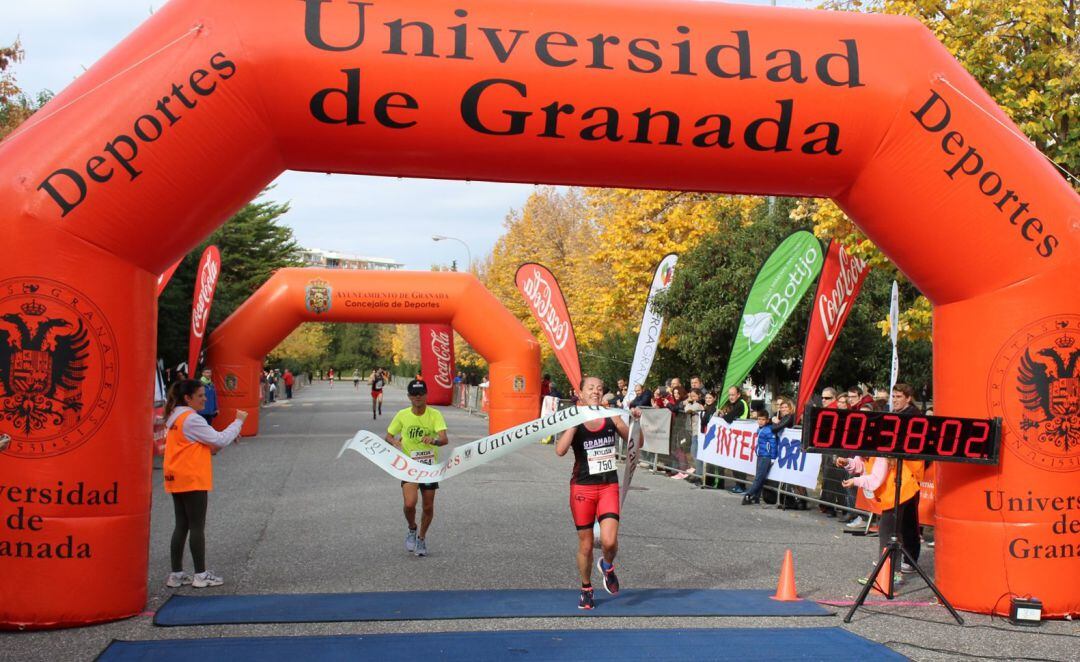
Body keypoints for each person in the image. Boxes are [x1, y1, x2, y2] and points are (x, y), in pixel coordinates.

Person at [555, 376, 642, 610]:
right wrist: (574, 422)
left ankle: (608, 565)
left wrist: (635, 423)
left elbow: (637, 442)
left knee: (609, 541)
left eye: (600, 388)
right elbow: (560, 450)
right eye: (591, 388)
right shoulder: (573, 416)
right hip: (582, 487)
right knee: (585, 545)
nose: (596, 391)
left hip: (608, 486)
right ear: (580, 392)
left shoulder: (610, 415)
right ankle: (586, 588)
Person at [163, 379, 247, 589]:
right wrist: (237, 423)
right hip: (192, 476)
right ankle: (200, 574)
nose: (204, 399)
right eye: (200, 395)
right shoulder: (191, 419)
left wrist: (223, 438)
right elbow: (219, 440)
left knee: (181, 525)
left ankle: (176, 573)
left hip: (176, 474)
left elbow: (199, 443)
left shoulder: (175, 416)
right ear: (187, 398)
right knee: (196, 526)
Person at [385, 379, 449, 557]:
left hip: (429, 468)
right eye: (414, 394)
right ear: (409, 397)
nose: (418, 397)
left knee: (428, 507)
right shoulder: (402, 415)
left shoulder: (435, 415)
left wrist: (434, 440)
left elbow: (444, 439)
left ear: (426, 395)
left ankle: (421, 537)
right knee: (409, 504)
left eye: (421, 393)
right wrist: (395, 442)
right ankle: (412, 527)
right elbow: (388, 436)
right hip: (410, 467)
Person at [742, 409, 778, 504]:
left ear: (767, 420)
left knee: (759, 477)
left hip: (766, 457)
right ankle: (756, 497)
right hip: (760, 455)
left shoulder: (769, 430)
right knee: (760, 477)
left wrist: (773, 458)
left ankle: (748, 494)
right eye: (759, 419)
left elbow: (773, 444)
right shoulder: (760, 429)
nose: (760, 421)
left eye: (763, 419)